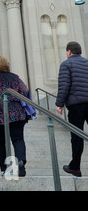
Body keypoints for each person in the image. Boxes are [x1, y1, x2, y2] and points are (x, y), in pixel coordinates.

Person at [0, 56, 30, 177]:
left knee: (0, 142)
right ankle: (20, 162)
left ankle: (4, 169)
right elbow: (25, 90)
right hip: (17, 113)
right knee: (18, 139)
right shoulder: (14, 77)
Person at [55, 41, 88, 177]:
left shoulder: (66, 64)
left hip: (76, 105)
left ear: (69, 52)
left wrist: (59, 104)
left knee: (77, 136)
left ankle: (75, 167)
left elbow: (64, 85)